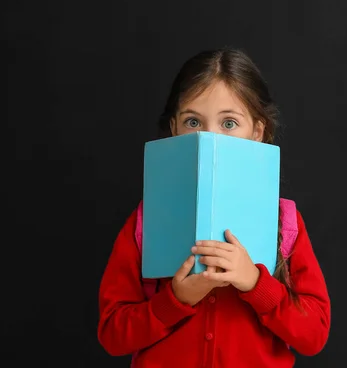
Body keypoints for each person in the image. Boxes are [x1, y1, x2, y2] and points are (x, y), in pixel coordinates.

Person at [97, 48, 331, 367]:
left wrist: (255, 283)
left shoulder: (285, 224)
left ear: (257, 132)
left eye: (230, 122)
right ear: (175, 129)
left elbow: (313, 335)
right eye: (194, 121)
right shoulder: (146, 221)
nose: (210, 137)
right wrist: (175, 301)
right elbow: (112, 335)